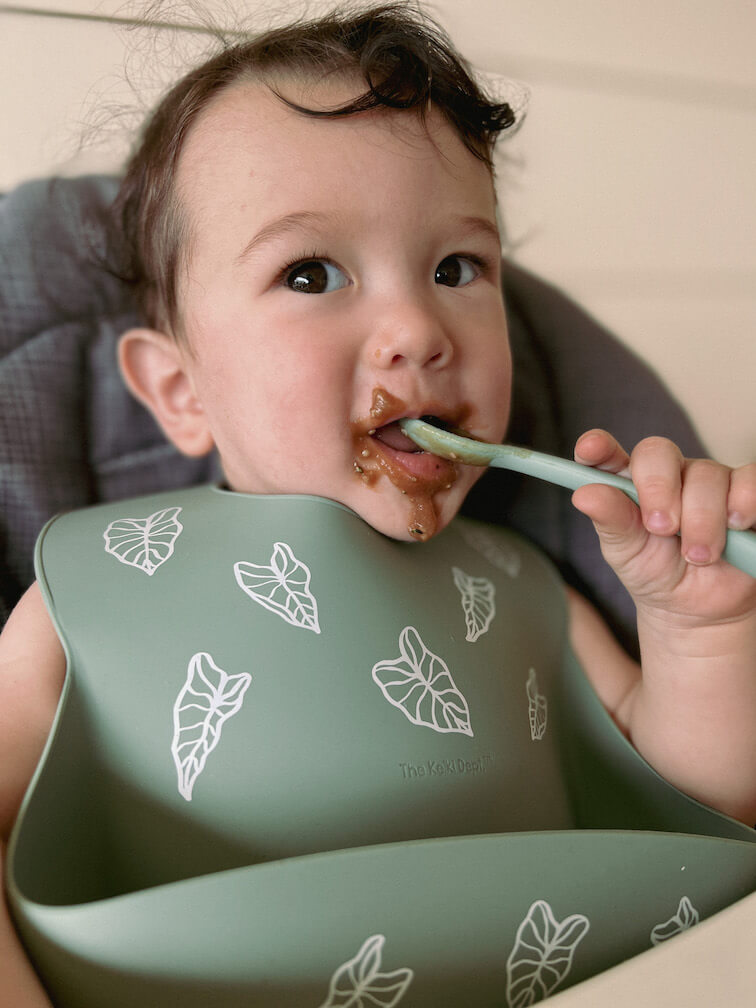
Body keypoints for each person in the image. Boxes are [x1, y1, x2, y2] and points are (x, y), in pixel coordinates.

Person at [1, 4, 754, 1006]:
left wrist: (698, 630)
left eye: (457, 267)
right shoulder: (82, 602)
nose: (416, 327)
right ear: (180, 390)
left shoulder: (527, 592)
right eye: (310, 273)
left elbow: (702, 809)